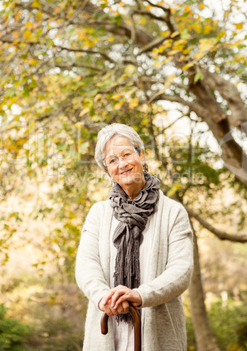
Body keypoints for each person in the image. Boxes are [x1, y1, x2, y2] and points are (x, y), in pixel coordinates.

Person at [75, 123, 193, 351]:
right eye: (112, 160)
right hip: (107, 332)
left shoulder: (172, 212)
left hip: (158, 335)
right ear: (107, 170)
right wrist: (104, 298)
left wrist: (139, 295)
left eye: (126, 154)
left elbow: (181, 270)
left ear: (141, 155)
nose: (122, 164)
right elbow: (86, 265)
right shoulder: (98, 214)